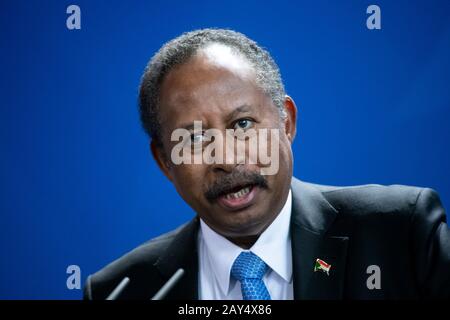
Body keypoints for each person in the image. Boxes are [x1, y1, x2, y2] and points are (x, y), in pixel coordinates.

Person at [83, 29, 450, 300]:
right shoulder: (119, 291)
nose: (226, 159)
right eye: (194, 139)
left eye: (243, 125)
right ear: (165, 161)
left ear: (286, 123)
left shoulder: (402, 233)